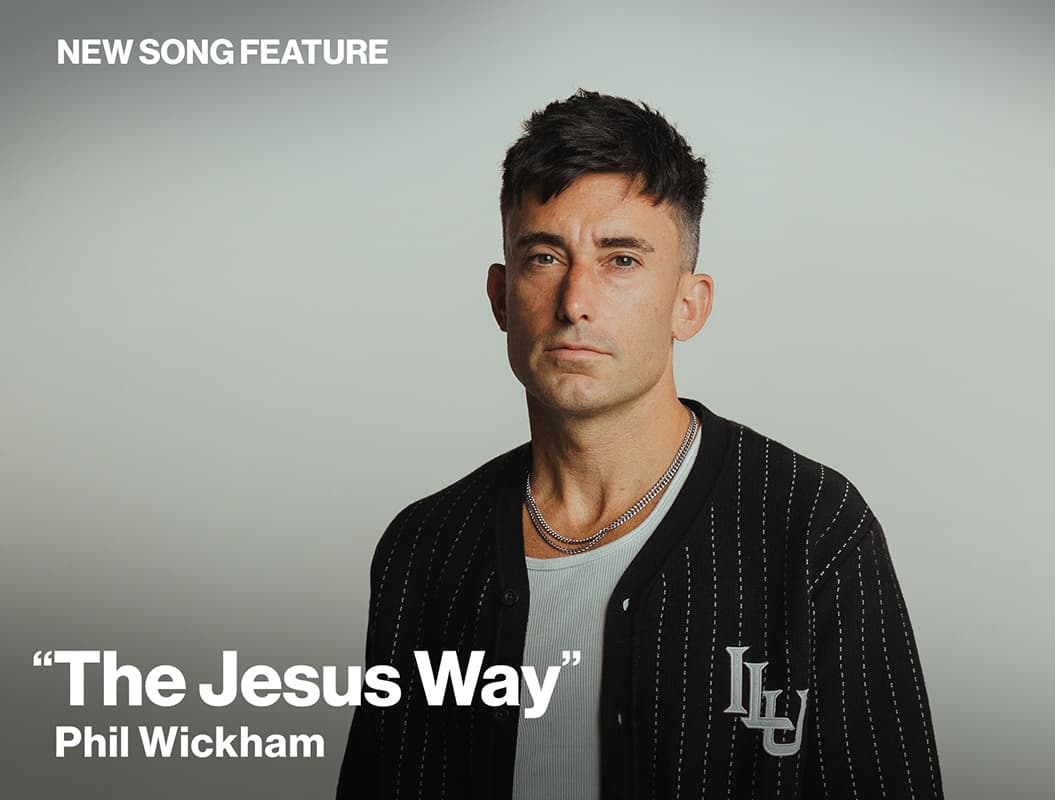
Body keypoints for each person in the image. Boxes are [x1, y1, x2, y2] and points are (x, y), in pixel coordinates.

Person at [337, 88, 943, 800]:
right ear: (501, 297)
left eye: (621, 260)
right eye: (544, 257)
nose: (575, 302)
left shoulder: (811, 528)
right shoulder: (424, 550)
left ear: (690, 304)